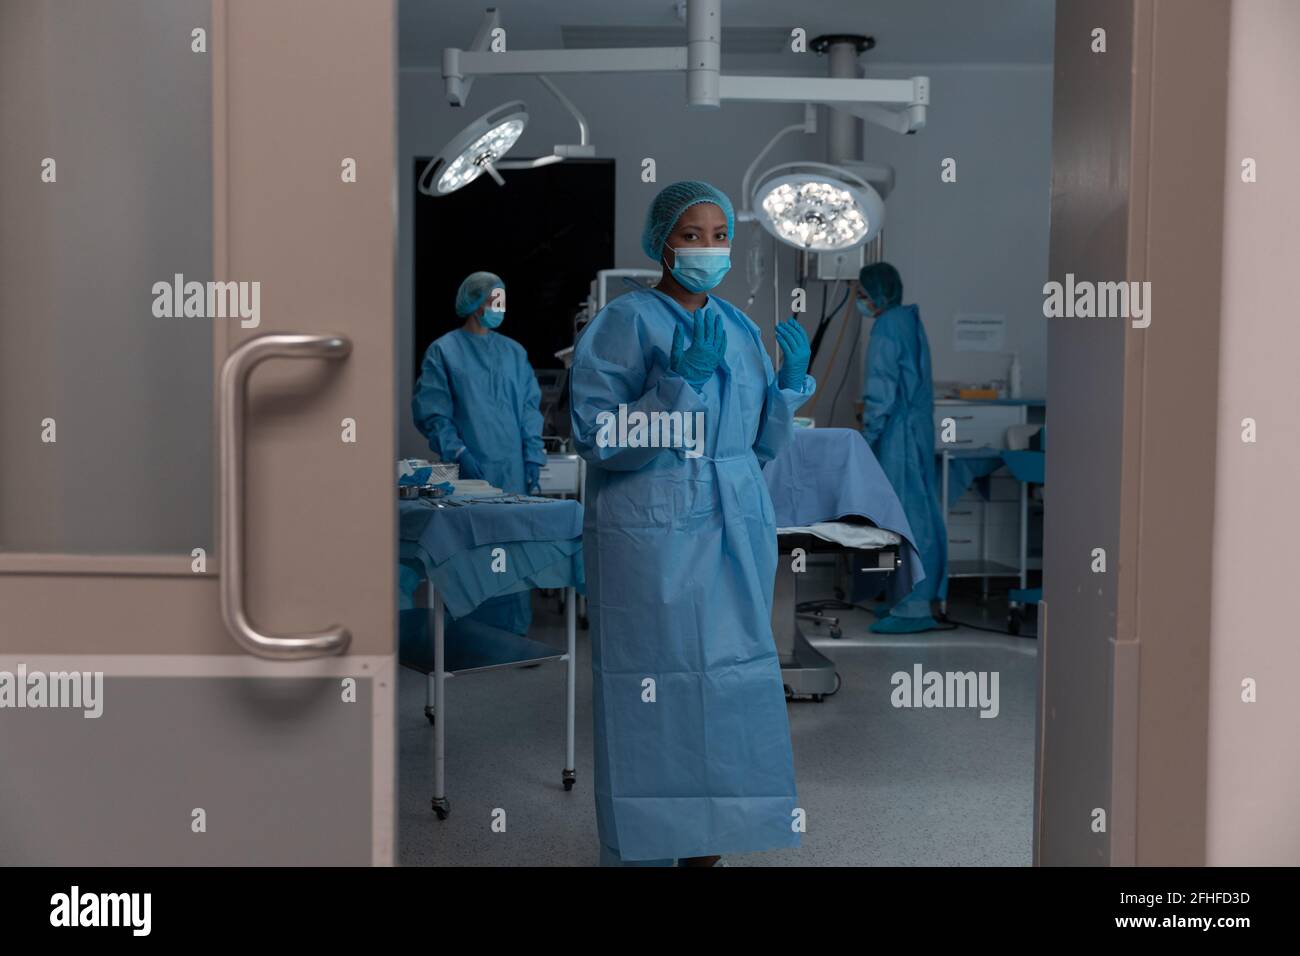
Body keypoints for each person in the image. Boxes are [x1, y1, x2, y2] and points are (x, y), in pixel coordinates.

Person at [570, 181, 815, 867]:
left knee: (732, 681)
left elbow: (757, 445)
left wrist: (788, 387)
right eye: (691, 234)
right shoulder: (624, 323)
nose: (708, 248)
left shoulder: (736, 327)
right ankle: (652, 843)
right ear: (661, 243)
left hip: (734, 525)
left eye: (719, 235)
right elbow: (599, 436)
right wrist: (677, 383)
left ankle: (712, 843)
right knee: (658, 686)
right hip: (653, 533)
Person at [412, 271, 546, 634]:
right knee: (473, 549)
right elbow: (434, 410)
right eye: (494, 300)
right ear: (474, 303)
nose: (499, 308)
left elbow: (529, 409)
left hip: (514, 469)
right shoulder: (445, 351)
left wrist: (533, 455)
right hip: (469, 468)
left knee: (513, 549)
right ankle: (471, 635)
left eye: (503, 300)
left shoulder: (514, 353)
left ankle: (514, 631)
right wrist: (456, 448)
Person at [857, 262, 947, 634]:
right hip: (913, 431)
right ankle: (906, 598)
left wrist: (868, 436)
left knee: (906, 520)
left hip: (899, 436)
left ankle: (914, 606)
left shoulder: (887, 327)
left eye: (862, 296)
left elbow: (881, 390)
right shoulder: (908, 320)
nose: (860, 303)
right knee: (916, 515)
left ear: (879, 295)